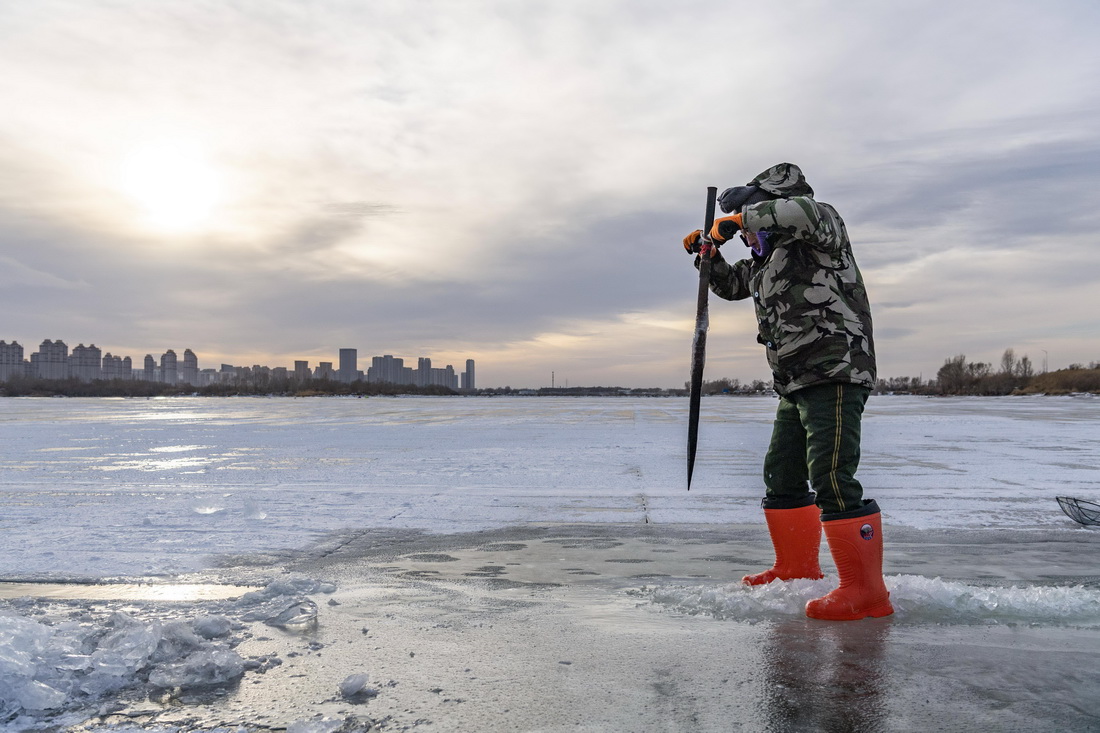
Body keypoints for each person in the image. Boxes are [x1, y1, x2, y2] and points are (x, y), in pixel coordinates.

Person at [682, 163, 893, 620]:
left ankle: (867, 592)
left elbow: (801, 213)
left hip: (834, 369)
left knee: (832, 475)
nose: (747, 232)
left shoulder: (820, 228)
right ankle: (796, 569)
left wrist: (739, 218)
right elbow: (732, 286)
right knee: (781, 473)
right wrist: (708, 256)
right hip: (793, 380)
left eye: (753, 217)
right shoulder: (768, 259)